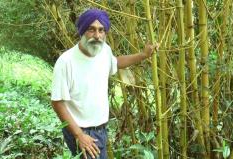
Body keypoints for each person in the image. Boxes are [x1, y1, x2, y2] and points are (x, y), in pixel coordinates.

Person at [51, 8, 158, 159]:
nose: (97, 35)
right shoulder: (66, 62)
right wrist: (79, 135)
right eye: (91, 29)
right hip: (81, 131)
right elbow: (57, 102)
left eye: (101, 30)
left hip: (100, 129)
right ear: (82, 31)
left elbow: (115, 62)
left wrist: (143, 55)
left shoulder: (104, 51)